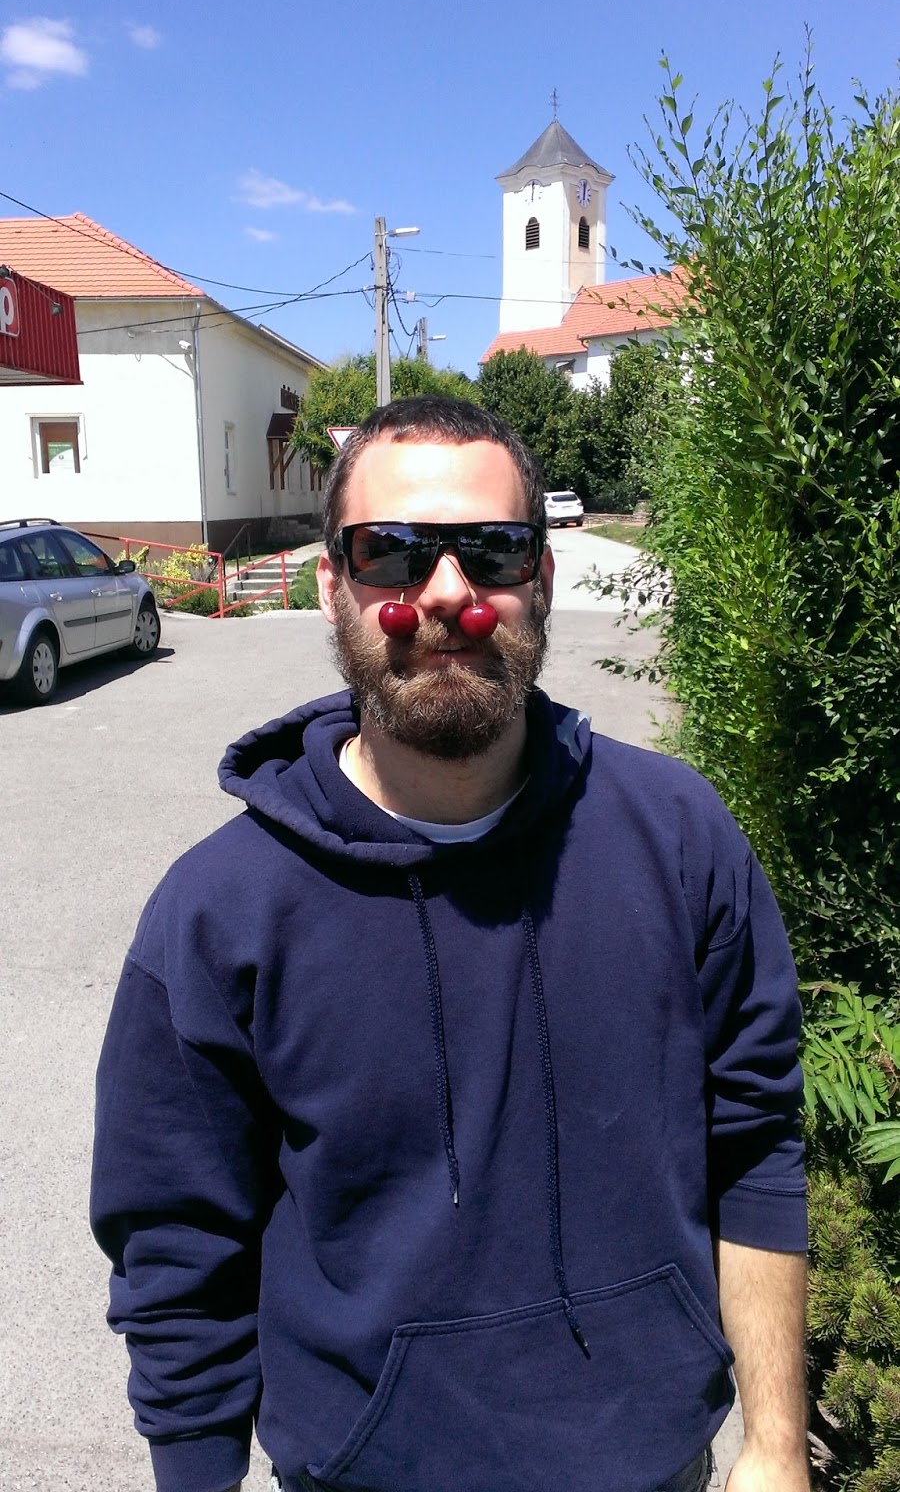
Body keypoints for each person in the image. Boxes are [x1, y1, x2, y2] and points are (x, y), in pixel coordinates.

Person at [91, 395, 809, 1492]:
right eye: (391, 551)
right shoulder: (220, 911)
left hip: (655, 1465)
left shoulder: (678, 837)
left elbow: (754, 1142)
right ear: (331, 585)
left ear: (543, 578)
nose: (445, 594)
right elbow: (179, 1250)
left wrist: (773, 1445)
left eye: (493, 549)